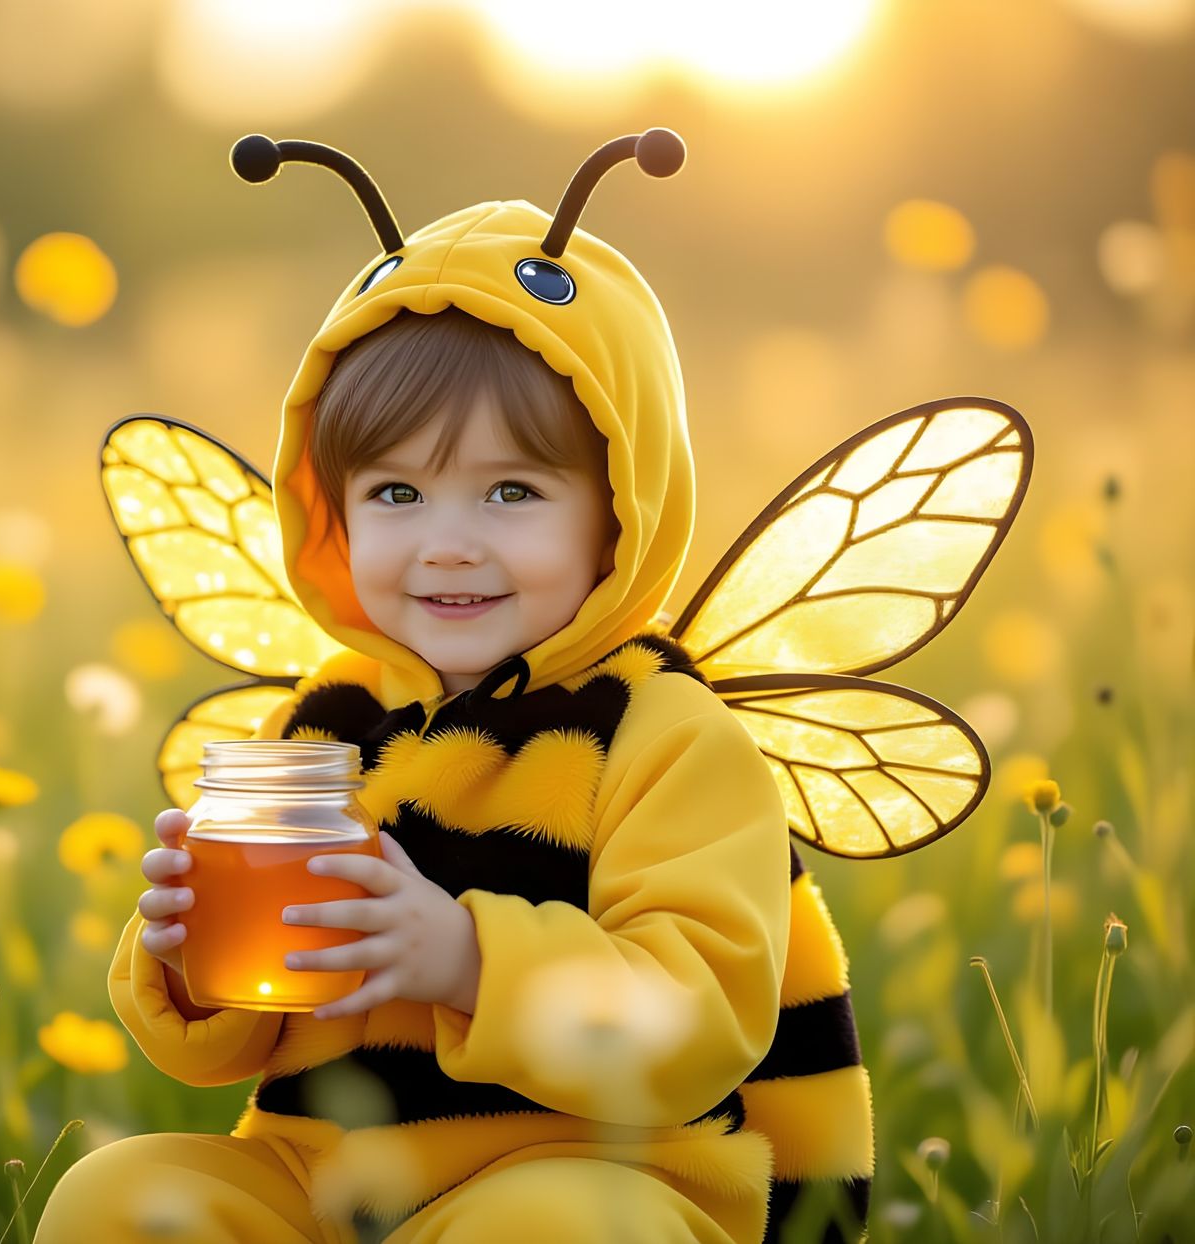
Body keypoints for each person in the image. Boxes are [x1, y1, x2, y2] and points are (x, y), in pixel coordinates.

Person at [38, 133, 795, 1243]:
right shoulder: (324, 720)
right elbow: (237, 1040)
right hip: (322, 1171)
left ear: (619, 511)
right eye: (395, 493)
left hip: (589, 1168)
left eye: (510, 492)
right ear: (332, 511)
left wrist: (466, 958)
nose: (446, 544)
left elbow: (704, 1013)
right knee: (116, 1197)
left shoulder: (662, 733)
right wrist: (189, 957)